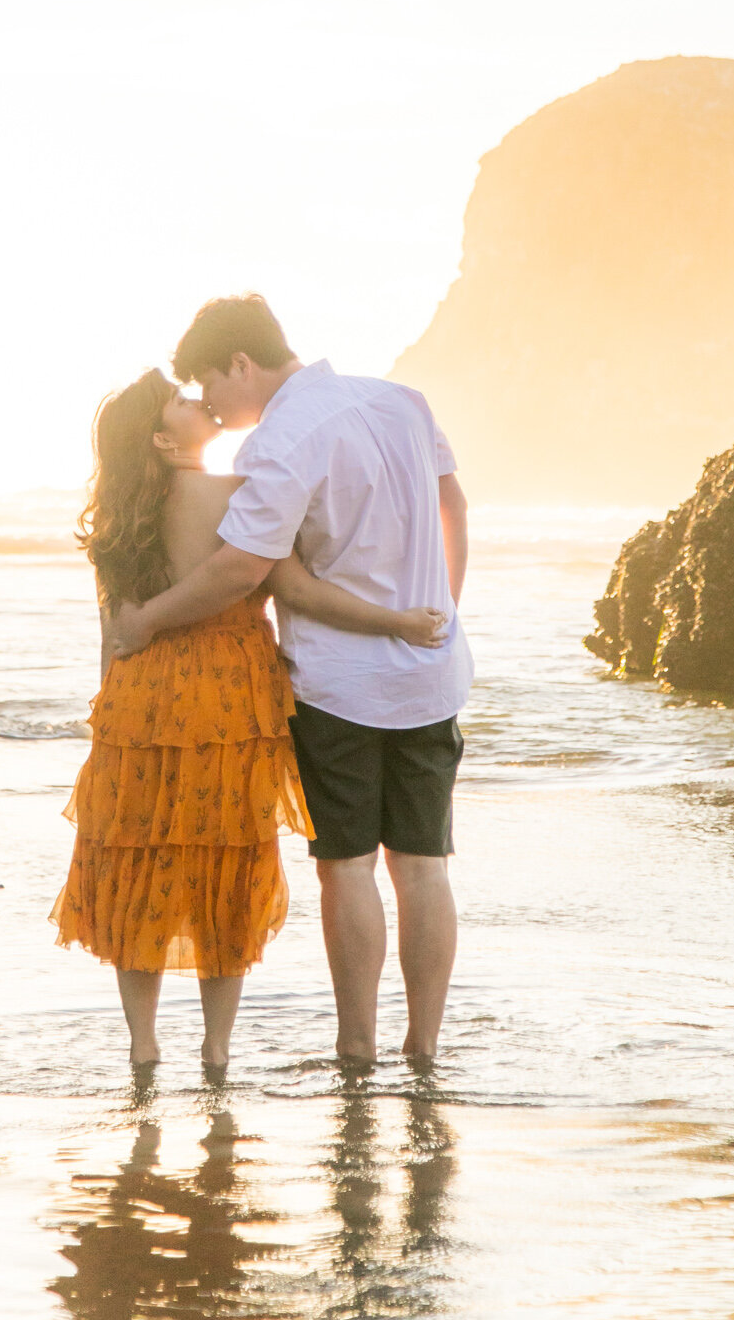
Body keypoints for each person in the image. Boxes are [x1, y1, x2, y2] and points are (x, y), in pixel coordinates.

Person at [51, 367, 449, 1073]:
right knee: (223, 865)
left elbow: (113, 631)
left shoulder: (119, 519)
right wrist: (396, 621)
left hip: (138, 703)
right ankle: (216, 1048)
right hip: (228, 701)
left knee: (138, 863)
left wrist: (107, 719)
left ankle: (143, 1048)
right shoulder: (240, 496)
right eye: (180, 399)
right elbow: (290, 585)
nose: (197, 399)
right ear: (162, 438)